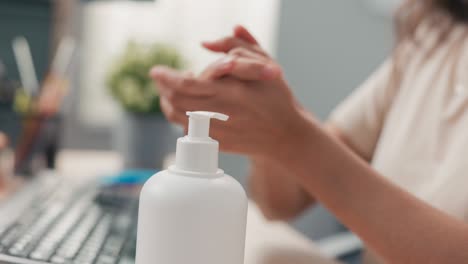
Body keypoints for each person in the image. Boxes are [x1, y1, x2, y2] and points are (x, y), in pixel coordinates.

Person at [150, 0, 468, 263]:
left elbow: (307, 149)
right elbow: (283, 202)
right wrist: (265, 128)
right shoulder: (434, 42)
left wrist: (291, 137)